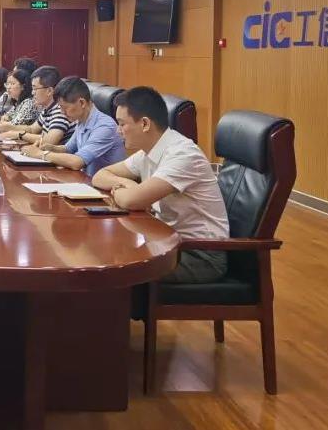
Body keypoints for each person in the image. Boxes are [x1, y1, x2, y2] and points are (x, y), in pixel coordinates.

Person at [91, 86, 230, 283]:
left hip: (200, 255)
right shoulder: (147, 152)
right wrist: (127, 183)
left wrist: (128, 192)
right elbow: (99, 176)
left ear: (145, 124)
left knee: (112, 272)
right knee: (106, 255)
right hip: (166, 242)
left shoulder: (182, 154)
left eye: (122, 124)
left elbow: (131, 201)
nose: (118, 130)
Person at [20, 76, 125, 174]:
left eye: (64, 107)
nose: (62, 112)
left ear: (82, 103)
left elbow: (77, 162)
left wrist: (40, 154)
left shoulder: (105, 126)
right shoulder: (82, 120)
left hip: (101, 185)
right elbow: (68, 149)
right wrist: (49, 148)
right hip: (84, 180)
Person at [3, 65, 74, 147]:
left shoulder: (60, 110)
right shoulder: (47, 109)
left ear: (49, 91)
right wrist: (9, 128)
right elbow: (32, 129)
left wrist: (20, 135)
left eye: (35, 89)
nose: (32, 93)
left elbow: (49, 141)